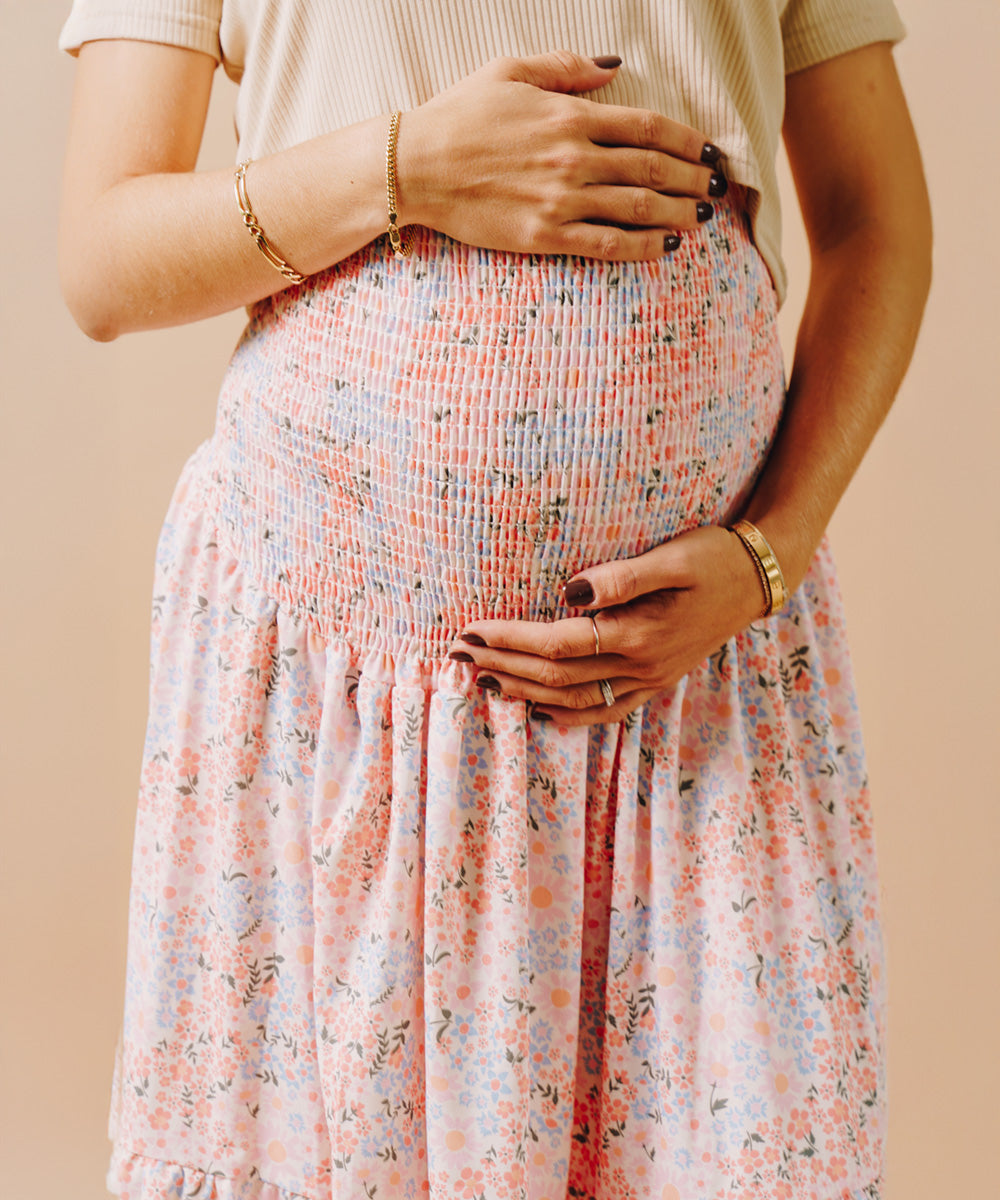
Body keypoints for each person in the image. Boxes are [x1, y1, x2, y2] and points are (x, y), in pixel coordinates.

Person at [58, 1, 930, 1197]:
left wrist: (766, 556)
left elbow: (876, 221)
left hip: (688, 703)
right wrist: (404, 168)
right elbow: (102, 262)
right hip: (342, 695)